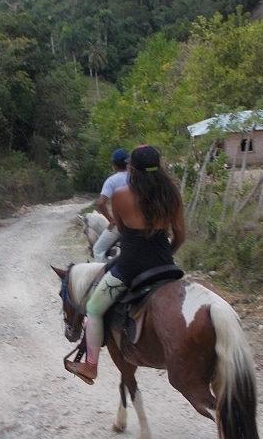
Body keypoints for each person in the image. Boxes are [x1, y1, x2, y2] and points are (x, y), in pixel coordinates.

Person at [66, 144, 186, 384]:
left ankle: (90, 366)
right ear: (159, 167)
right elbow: (180, 236)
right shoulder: (172, 195)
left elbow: (122, 230)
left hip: (129, 268)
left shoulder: (121, 195)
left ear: (132, 169)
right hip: (165, 265)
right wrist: (165, 258)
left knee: (94, 309)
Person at [92, 148, 130, 262]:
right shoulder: (135, 177)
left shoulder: (112, 181)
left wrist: (111, 220)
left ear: (114, 164)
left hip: (120, 225)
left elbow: (101, 203)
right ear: (127, 163)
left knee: (98, 249)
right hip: (138, 223)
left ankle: (104, 271)